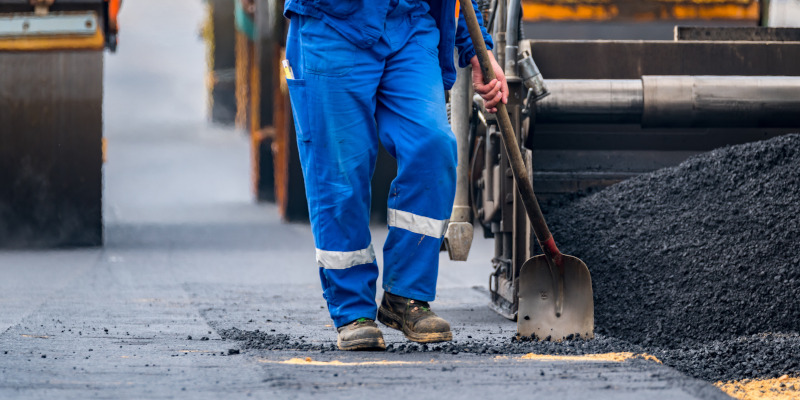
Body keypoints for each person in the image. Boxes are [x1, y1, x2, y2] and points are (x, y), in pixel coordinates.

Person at [283, 0, 509, 350]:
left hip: (410, 23)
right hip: (333, 22)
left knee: (433, 146)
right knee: (341, 174)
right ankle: (352, 310)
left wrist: (476, 47)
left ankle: (406, 296)